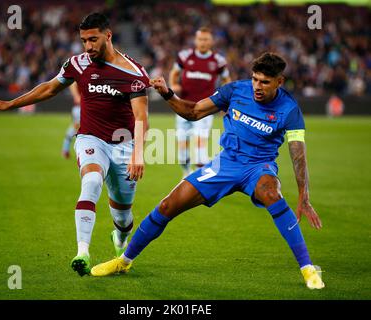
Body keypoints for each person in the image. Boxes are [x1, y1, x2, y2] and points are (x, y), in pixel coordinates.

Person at [90, 52, 325, 290]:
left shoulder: (290, 109)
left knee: (273, 194)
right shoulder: (235, 91)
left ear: (279, 82)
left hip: (258, 167)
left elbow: (298, 154)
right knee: (167, 206)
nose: (257, 86)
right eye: (255, 79)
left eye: (265, 82)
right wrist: (168, 94)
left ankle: (307, 269)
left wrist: (304, 196)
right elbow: (193, 112)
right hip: (224, 165)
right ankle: (124, 260)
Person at [0, 13, 151, 277]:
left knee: (123, 217)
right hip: (90, 138)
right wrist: (11, 103)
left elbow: (141, 117)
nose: (88, 46)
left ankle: (119, 237)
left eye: (93, 39)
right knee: (92, 181)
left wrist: (137, 155)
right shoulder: (78, 64)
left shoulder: (133, 73)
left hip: (124, 146)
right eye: (83, 41)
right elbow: (50, 88)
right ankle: (82, 252)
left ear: (108, 35)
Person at [169, 27, 231, 178]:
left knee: (199, 143)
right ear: (196, 40)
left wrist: (225, 98)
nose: (203, 42)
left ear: (211, 41)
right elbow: (174, 72)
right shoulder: (184, 56)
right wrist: (173, 85)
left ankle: (199, 177)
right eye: (200, 39)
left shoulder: (218, 60)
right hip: (183, 106)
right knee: (182, 146)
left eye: (206, 39)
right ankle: (186, 172)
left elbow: (227, 80)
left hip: (205, 108)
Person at [62, 82, 81, 159]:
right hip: (80, 109)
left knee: (75, 129)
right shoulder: (76, 81)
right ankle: (67, 150)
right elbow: (77, 98)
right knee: (78, 130)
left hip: (80, 109)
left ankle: (65, 149)